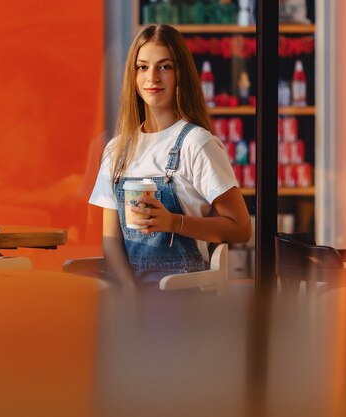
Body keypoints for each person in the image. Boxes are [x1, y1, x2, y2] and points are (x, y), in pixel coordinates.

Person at [89, 25, 252, 285]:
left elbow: (241, 228)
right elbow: (111, 242)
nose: (152, 77)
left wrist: (175, 223)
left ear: (181, 74)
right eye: (143, 67)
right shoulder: (116, 150)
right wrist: (131, 298)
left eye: (165, 67)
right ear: (133, 75)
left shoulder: (197, 144)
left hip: (182, 297)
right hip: (130, 297)